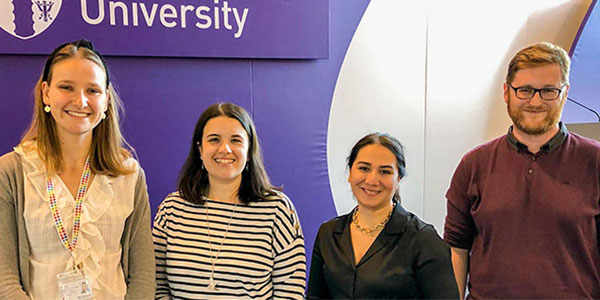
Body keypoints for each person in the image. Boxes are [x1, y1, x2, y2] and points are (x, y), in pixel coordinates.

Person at [0, 39, 155, 299]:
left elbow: (142, 275)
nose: (80, 101)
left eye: (92, 90)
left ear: (106, 99)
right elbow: (4, 278)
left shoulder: (129, 175)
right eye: (66, 87)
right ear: (46, 93)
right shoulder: (11, 172)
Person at [444, 42, 600, 299]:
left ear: (565, 92)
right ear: (507, 92)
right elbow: (456, 247)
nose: (535, 101)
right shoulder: (473, 165)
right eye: (525, 90)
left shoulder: (594, 162)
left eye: (548, 91)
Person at [153, 102, 306, 299]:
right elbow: (156, 285)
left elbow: (290, 292)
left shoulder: (277, 211)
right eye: (214, 140)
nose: (225, 149)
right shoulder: (172, 209)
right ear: (200, 149)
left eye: (236, 140)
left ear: (249, 150)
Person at [307, 133, 458, 299]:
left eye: (385, 171)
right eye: (364, 168)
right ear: (350, 173)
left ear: (398, 178)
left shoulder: (423, 239)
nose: (372, 180)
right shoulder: (328, 233)